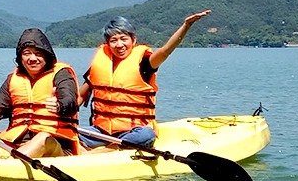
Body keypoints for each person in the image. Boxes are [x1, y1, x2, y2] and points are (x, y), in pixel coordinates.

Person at [80, 10, 212, 147]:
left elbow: (165, 51)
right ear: (108, 44)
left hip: (133, 131)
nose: (119, 45)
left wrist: (186, 25)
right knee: (67, 133)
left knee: (146, 135)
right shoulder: (100, 65)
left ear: (133, 40)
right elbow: (80, 96)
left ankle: (111, 148)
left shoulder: (144, 62)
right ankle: (109, 146)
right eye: (113, 40)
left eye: (123, 39)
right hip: (101, 131)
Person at [0, 28, 80, 160]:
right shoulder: (13, 79)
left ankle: (6, 168)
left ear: (46, 55)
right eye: (27, 53)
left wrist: (60, 106)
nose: (33, 58)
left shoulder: (61, 74)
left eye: (38, 53)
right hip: (16, 145)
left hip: (56, 146)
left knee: (42, 138)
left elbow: (70, 99)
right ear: (20, 57)